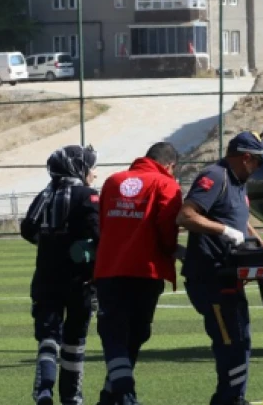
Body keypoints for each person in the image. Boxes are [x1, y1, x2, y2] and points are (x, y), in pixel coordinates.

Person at [177, 131, 263, 405]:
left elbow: (240, 222)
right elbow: (185, 215)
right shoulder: (216, 176)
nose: (258, 169)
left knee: (239, 339)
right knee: (231, 342)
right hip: (211, 277)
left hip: (228, 277)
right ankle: (228, 399)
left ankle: (232, 398)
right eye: (258, 163)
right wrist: (225, 231)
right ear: (245, 158)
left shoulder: (237, 182)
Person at [93, 142, 184, 405]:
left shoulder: (113, 181)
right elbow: (167, 229)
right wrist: (170, 250)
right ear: (170, 166)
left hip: (110, 270)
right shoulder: (166, 184)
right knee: (134, 334)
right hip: (146, 271)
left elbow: (102, 226)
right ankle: (124, 394)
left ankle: (112, 396)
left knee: (114, 333)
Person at [20, 145, 101, 405]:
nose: (94, 173)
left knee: (48, 337)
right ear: (78, 167)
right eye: (91, 167)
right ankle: (72, 397)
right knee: (74, 342)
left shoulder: (45, 195)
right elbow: (100, 235)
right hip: (79, 281)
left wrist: (49, 243)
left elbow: (27, 228)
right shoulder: (86, 196)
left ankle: (43, 391)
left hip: (45, 277)